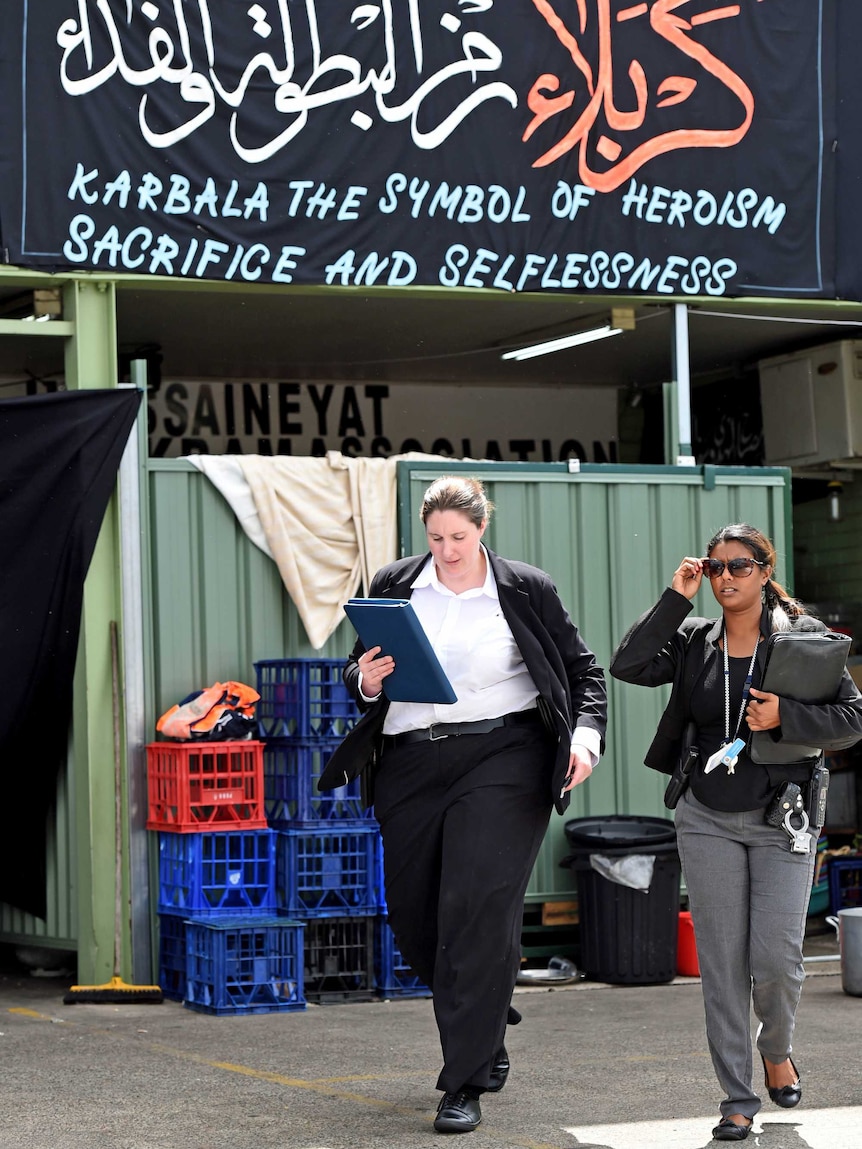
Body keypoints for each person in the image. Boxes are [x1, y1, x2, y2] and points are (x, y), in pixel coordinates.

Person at [319, 475, 607, 1134]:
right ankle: (488, 1012)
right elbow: (358, 668)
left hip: (502, 756)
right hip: (411, 762)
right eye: (436, 537)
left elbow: (583, 671)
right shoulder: (396, 583)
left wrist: (585, 738)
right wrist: (362, 679)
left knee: (474, 907)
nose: (447, 550)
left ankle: (464, 1080)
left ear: (482, 528)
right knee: (415, 915)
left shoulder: (524, 588)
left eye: (459, 536)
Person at [610, 523, 862, 1142]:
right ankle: (737, 1096)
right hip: (706, 818)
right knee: (721, 965)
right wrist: (677, 597)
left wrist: (788, 715)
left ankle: (776, 1048)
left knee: (776, 958)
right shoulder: (697, 641)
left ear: (766, 572)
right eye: (716, 567)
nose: (725, 577)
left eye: (740, 567)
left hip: (784, 818)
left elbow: (852, 720)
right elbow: (629, 663)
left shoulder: (804, 641)